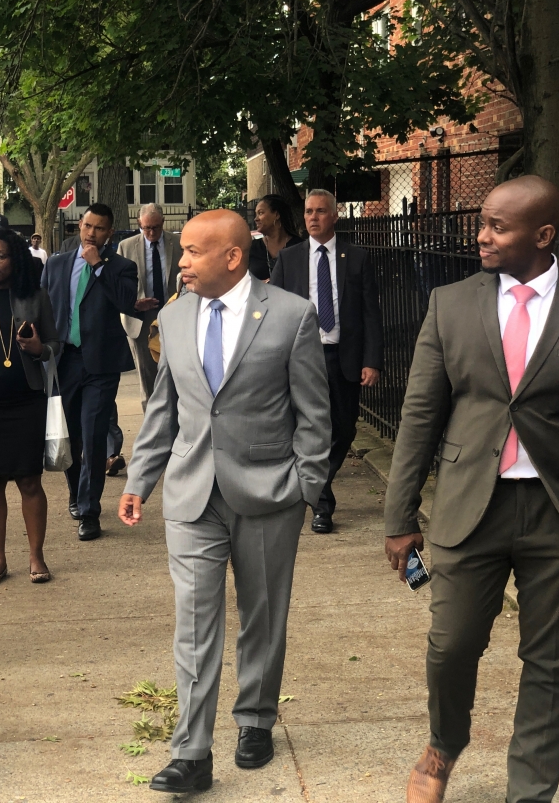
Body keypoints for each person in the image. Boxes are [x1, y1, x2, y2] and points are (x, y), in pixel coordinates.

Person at [383, 176, 559, 803]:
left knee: (551, 661)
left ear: (543, 235)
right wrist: (400, 515)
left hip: (557, 515)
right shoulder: (449, 305)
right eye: (483, 222)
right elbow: (420, 415)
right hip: (467, 508)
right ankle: (443, 744)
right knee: (451, 645)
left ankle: (530, 792)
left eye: (497, 226)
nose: (481, 235)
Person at [119, 210, 331, 794]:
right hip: (192, 493)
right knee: (193, 622)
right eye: (180, 251)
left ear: (232, 257)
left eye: (191, 251)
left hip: (269, 494)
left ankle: (257, 717)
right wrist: (140, 479)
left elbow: (315, 416)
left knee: (262, 616)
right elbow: (165, 407)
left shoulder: (291, 316)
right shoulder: (173, 314)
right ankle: (191, 751)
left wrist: (305, 486)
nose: (179, 261)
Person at [271, 188, 383, 533]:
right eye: (308, 212)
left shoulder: (357, 257)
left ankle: (313, 482)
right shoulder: (289, 259)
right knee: (309, 428)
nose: (313, 217)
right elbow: (274, 311)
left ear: (335, 215)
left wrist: (372, 360)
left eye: (321, 211)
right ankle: (323, 506)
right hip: (303, 358)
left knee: (344, 428)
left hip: (343, 357)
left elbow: (370, 314)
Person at [0, 228, 61, 586]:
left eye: (0, 256)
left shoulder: (35, 296)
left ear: (14, 259)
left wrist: (39, 349)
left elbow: (55, 343)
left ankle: (37, 557)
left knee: (30, 481)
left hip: (27, 399)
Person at [40, 203, 137, 541]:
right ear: (79, 226)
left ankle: (89, 511)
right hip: (64, 360)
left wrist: (98, 268)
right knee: (69, 437)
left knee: (94, 435)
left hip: (101, 363)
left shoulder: (122, 266)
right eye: (87, 226)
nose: (91, 233)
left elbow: (126, 302)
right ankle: (75, 493)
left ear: (110, 233)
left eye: (99, 228)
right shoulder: (55, 265)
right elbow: (43, 307)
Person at [117, 203, 183, 411]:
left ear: (163, 222)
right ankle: (153, 428)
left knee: (178, 374)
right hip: (142, 320)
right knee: (148, 380)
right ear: (139, 224)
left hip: (175, 317)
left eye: (155, 227)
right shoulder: (126, 247)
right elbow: (119, 287)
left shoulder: (179, 243)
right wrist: (134, 304)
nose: (151, 232)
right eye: (146, 228)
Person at [247, 194, 301, 281]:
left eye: (260, 213)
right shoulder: (252, 248)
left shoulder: (300, 247)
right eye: (256, 214)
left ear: (276, 215)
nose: (256, 219)